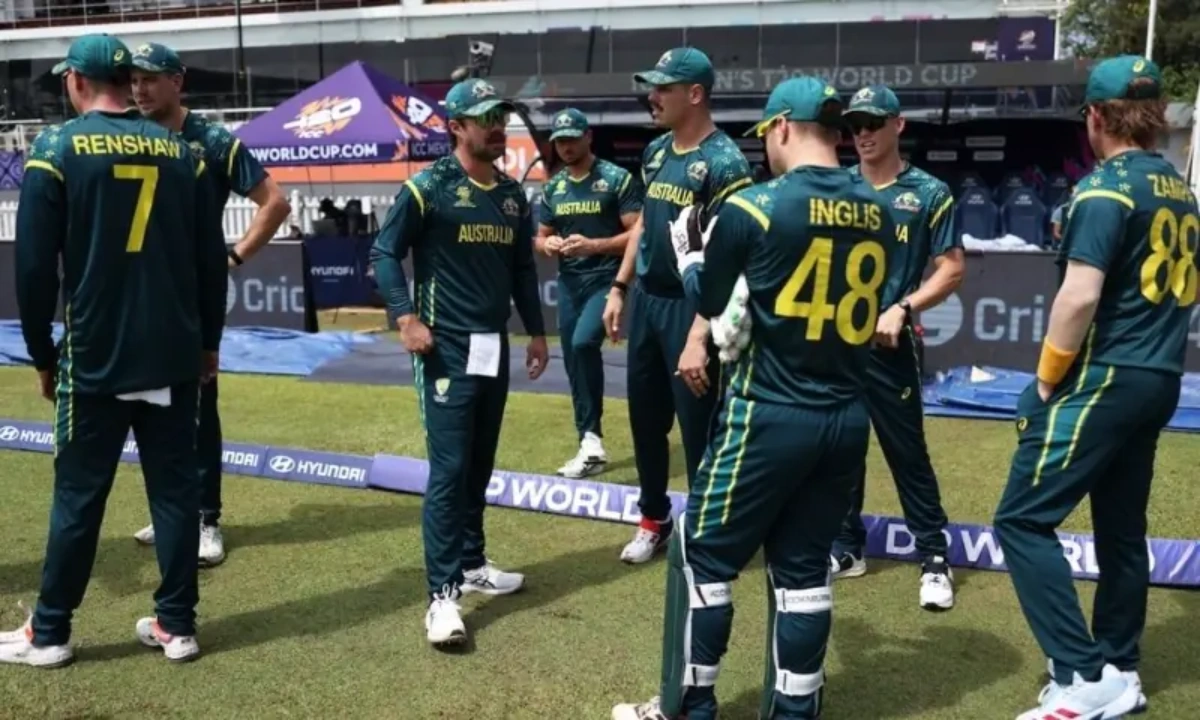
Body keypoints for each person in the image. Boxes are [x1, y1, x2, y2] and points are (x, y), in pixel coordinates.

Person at [613, 76, 895, 720]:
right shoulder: (878, 208)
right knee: (804, 573)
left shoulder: (756, 206)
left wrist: (690, 256)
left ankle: (687, 708)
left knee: (702, 555)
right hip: (845, 417)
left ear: (783, 127)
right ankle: (795, 712)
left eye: (767, 133)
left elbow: (713, 303)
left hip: (768, 409)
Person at [0, 34, 227, 667]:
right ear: (129, 82)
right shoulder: (184, 153)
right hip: (173, 351)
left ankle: (50, 633)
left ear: (75, 81)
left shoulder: (56, 149)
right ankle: (177, 626)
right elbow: (211, 263)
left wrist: (42, 353)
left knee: (79, 495)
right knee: (176, 493)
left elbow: (34, 270)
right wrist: (209, 343)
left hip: (96, 353)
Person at [995, 55, 1192, 720]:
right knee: (1121, 528)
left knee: (1021, 519)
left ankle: (1082, 674)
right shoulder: (1181, 191)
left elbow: (1079, 297)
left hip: (1108, 373)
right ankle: (1119, 666)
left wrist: (1044, 381)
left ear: (1098, 117)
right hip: (1161, 375)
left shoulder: (1106, 189)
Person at [369, 77, 550, 648]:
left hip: (494, 345)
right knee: (448, 473)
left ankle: (472, 564)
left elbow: (523, 269)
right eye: (486, 119)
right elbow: (384, 251)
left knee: (479, 464)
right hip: (444, 346)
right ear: (456, 127)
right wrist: (405, 317)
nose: (498, 128)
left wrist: (537, 333)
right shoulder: (428, 187)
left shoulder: (512, 195)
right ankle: (442, 596)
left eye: (502, 117)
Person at [128, 41, 291, 567]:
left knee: (199, 403)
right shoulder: (130, 134)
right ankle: (171, 509)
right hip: (143, 289)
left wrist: (234, 257)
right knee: (149, 403)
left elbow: (276, 202)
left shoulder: (214, 140)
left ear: (177, 81)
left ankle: (206, 518)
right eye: (134, 80)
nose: (139, 89)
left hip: (193, 294)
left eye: (150, 79)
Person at [602, 47, 753, 565]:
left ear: (695, 94)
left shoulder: (726, 162)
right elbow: (645, 223)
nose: (653, 96)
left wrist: (698, 332)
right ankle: (654, 519)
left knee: (699, 428)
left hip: (693, 311)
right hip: (647, 303)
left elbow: (732, 256)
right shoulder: (656, 151)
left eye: (663, 88)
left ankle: (708, 529)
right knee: (646, 423)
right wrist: (619, 287)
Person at [830, 84, 963, 612]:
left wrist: (904, 307)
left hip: (890, 346)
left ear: (897, 125)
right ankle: (846, 548)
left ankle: (934, 557)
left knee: (907, 454)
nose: (862, 134)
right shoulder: (836, 186)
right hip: (837, 345)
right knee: (840, 448)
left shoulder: (928, 192)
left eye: (872, 123)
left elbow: (952, 270)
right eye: (855, 125)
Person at [537, 107, 642, 478]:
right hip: (569, 284)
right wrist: (548, 245)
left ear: (588, 137)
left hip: (606, 280)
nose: (565, 147)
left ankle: (592, 442)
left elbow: (638, 234)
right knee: (572, 358)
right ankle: (589, 441)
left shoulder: (616, 179)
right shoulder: (554, 187)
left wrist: (594, 246)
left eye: (571, 139)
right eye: (559, 141)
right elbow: (540, 236)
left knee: (583, 344)